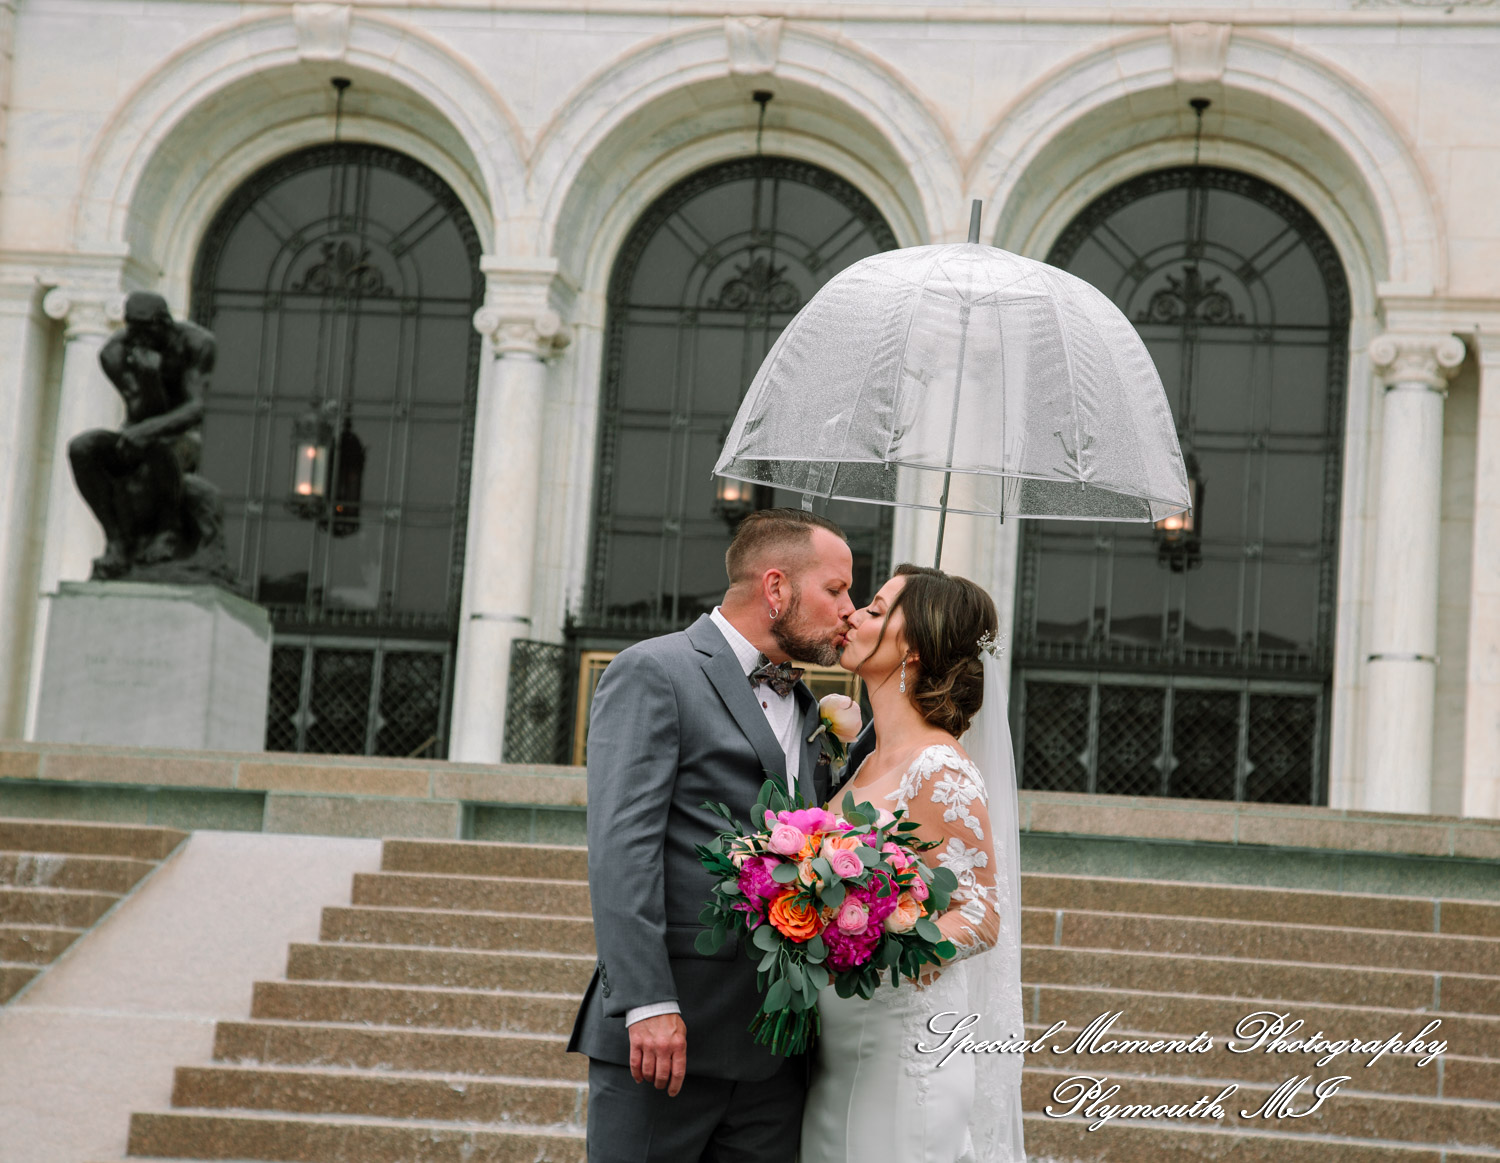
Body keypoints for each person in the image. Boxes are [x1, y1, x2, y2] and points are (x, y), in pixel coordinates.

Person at [568, 508, 857, 1163]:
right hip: (668, 1038)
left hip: (777, 1055)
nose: (849, 607)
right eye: (836, 589)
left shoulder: (813, 709)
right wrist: (647, 1002)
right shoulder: (656, 671)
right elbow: (622, 848)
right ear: (776, 588)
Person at [801, 563, 1027, 1163]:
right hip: (840, 1051)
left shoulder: (939, 768)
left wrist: (875, 944)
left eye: (875, 609)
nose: (852, 615)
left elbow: (980, 916)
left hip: (902, 1053)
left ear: (916, 647)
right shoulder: (863, 764)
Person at [68, 290, 226, 581]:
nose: (138, 339)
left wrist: (148, 424)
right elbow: (140, 410)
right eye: (133, 330)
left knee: (156, 444)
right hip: (136, 430)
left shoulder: (197, 343)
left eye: (145, 330)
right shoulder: (114, 352)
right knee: (82, 448)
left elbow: (194, 409)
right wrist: (147, 379)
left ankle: (167, 531)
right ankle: (115, 539)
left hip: (182, 435)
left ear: (164, 323)